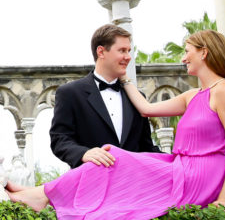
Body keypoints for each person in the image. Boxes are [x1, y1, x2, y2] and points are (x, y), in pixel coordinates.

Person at [6, 30, 225, 220]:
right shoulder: (191, 96)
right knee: (111, 155)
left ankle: (39, 195)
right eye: (123, 51)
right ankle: (40, 194)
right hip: (180, 166)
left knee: (114, 156)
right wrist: (126, 82)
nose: (184, 58)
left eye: (187, 51)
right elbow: (146, 109)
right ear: (102, 51)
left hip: (201, 175)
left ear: (204, 53)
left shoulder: (224, 91)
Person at [49, 24, 159, 170]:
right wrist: (84, 153)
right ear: (101, 51)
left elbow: (146, 147)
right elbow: (60, 140)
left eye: (128, 51)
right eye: (122, 50)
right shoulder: (70, 93)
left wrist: (179, 162)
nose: (128, 57)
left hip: (132, 186)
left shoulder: (137, 97)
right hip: (91, 184)